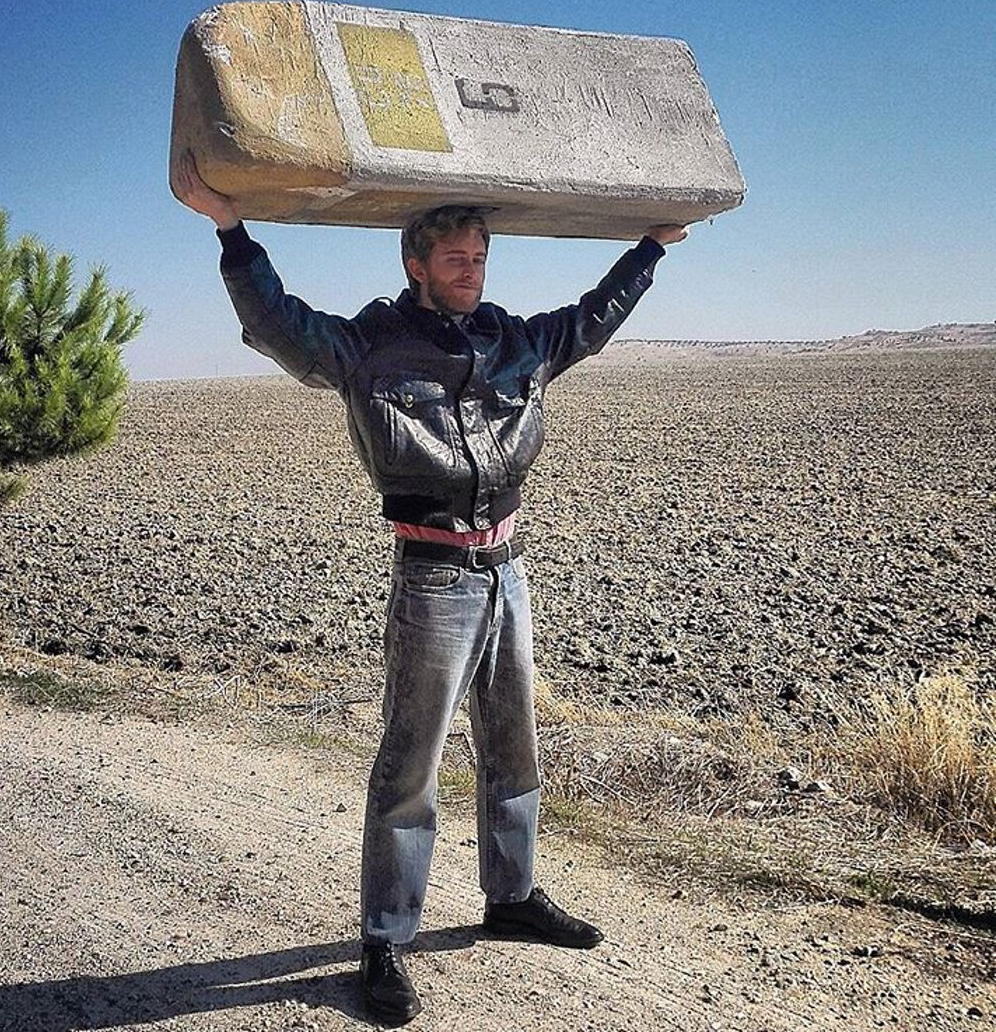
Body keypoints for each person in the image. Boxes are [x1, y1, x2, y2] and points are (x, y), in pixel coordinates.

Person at [174, 151, 686, 1024]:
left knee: (514, 746)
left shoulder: (514, 339)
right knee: (411, 765)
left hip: (509, 569)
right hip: (433, 578)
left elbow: (590, 322)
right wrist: (231, 230)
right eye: (455, 259)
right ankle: (384, 937)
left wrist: (650, 248)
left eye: (480, 258)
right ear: (415, 263)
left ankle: (512, 895)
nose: (470, 271)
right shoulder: (370, 347)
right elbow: (277, 318)